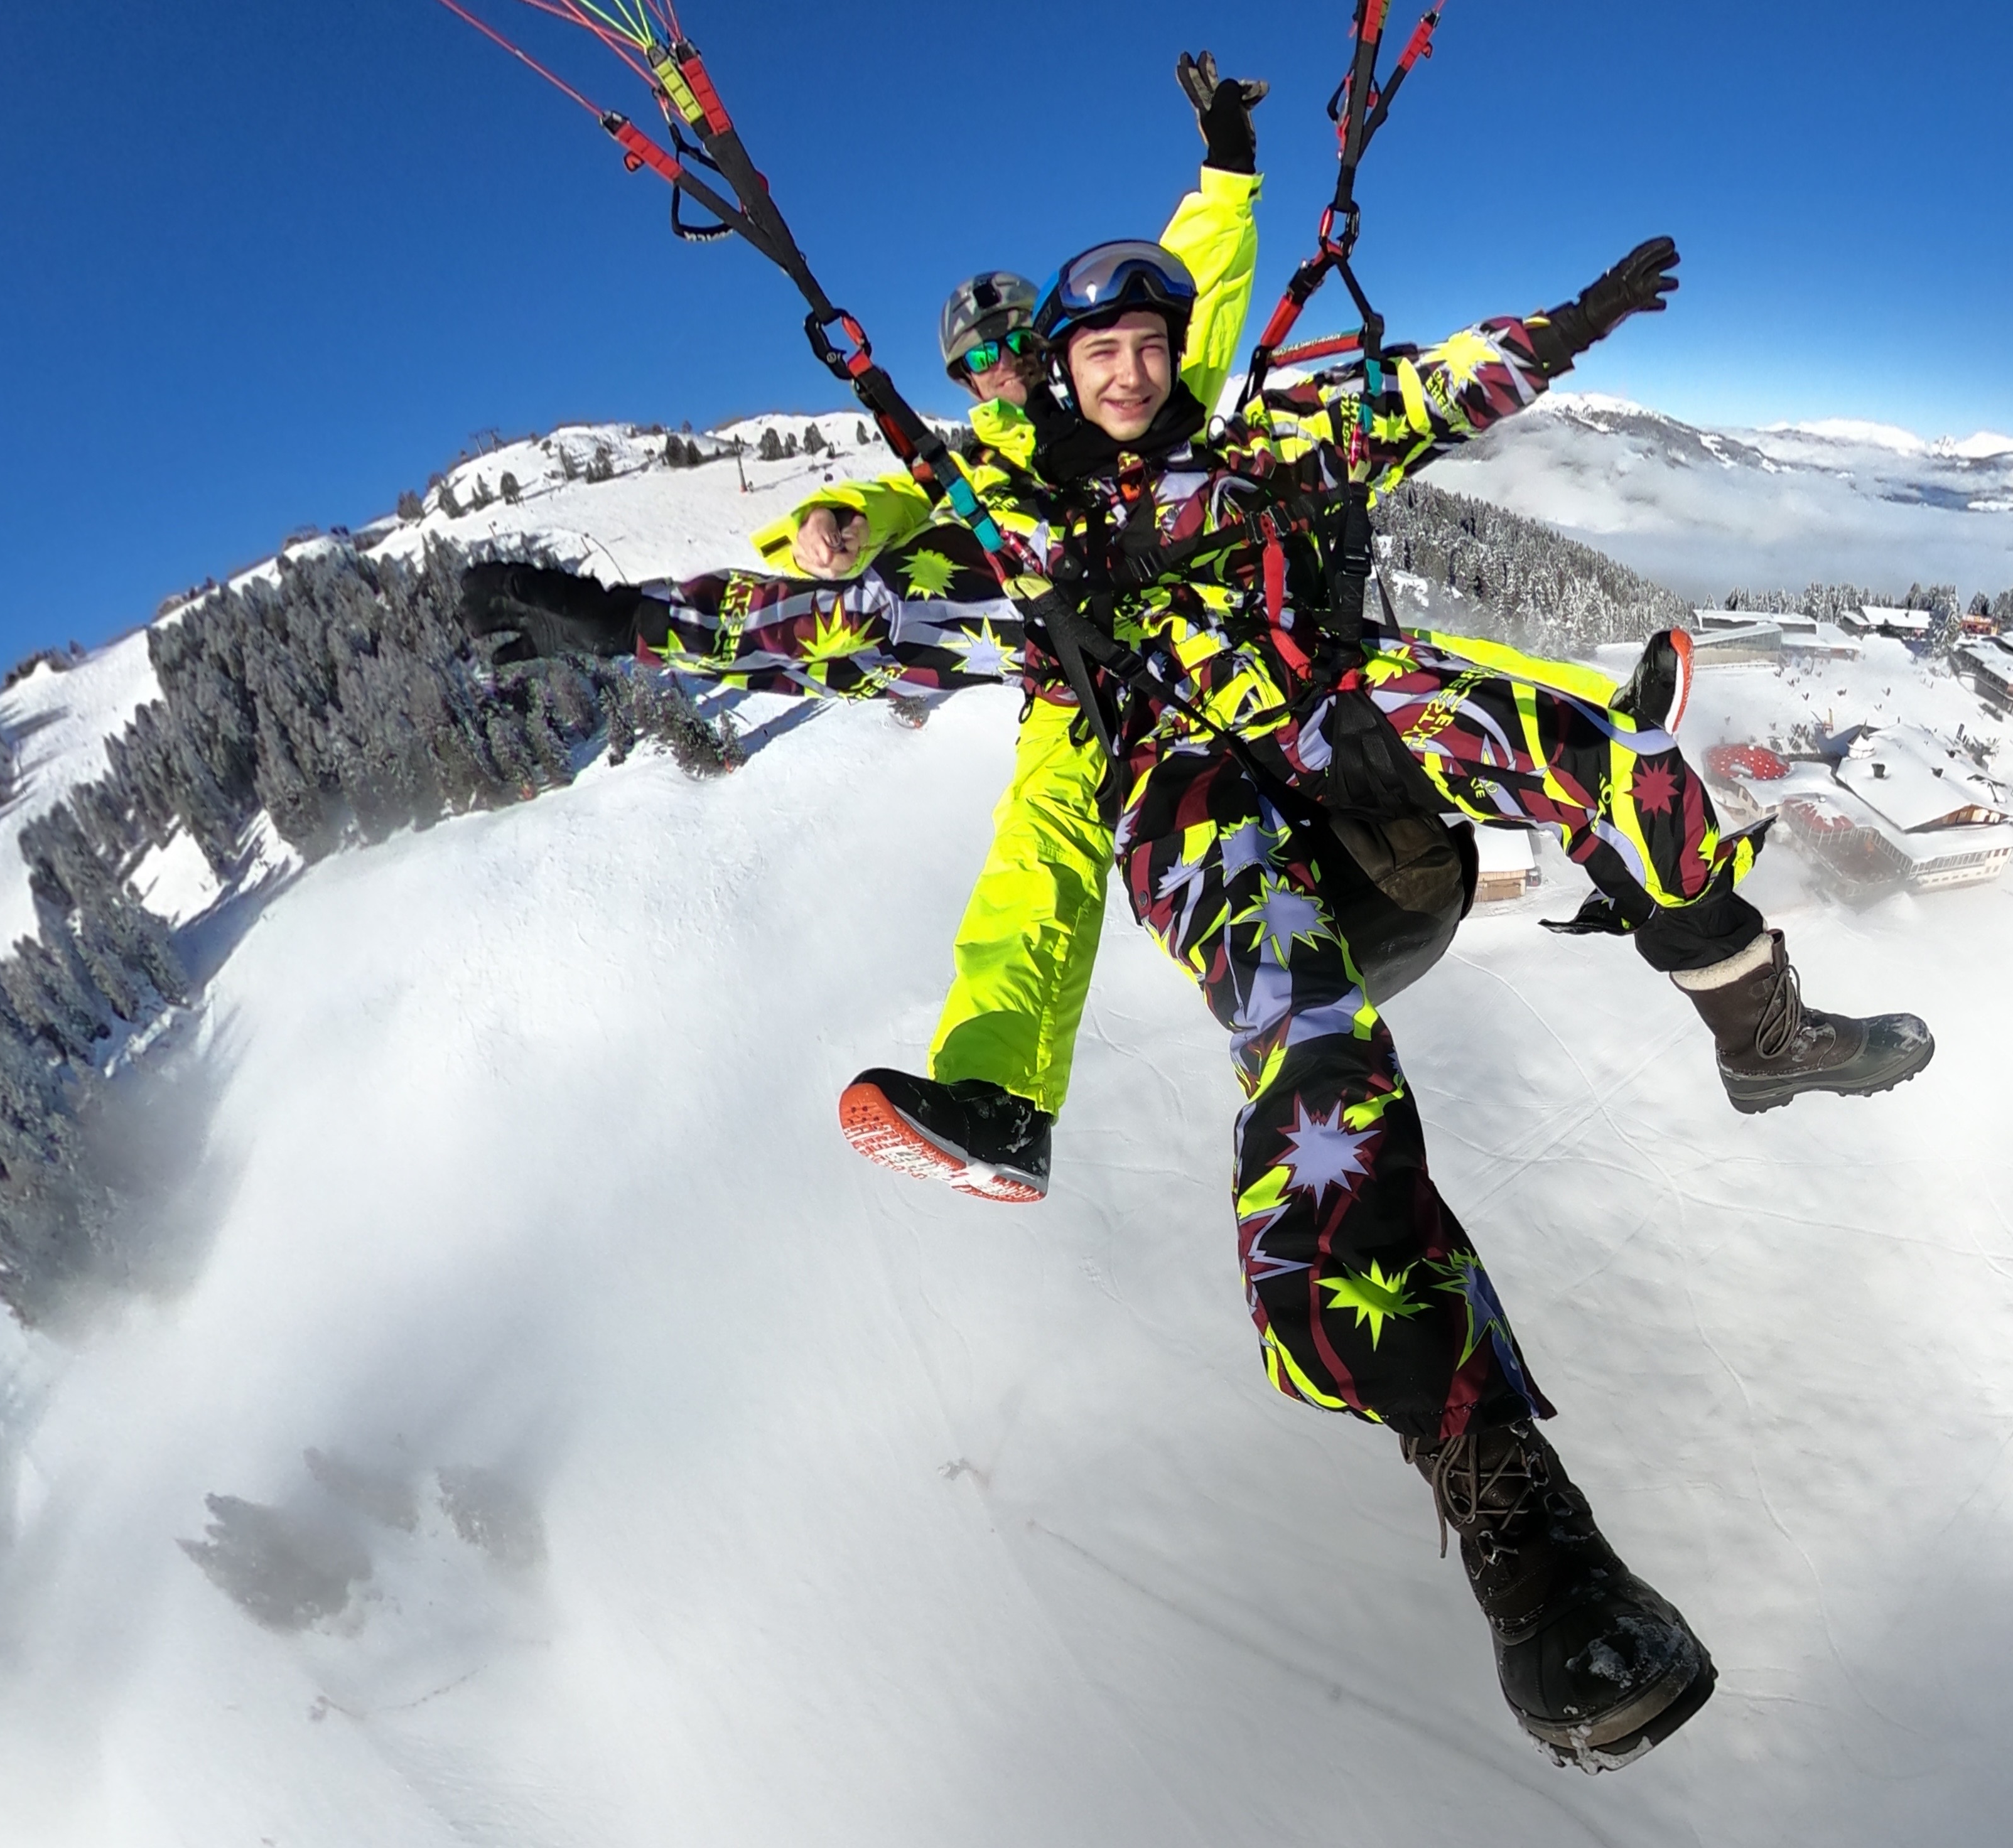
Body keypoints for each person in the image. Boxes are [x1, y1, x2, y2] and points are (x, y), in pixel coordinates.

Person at [460, 237, 1934, 1770]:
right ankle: (1515, 1520)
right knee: (1318, 1070)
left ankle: (1759, 1030)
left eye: (1148, 345)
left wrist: (1557, 332)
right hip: (1198, 800)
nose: (1127, 371)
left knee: (1603, 757)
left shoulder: (1252, 457)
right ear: (1059, 371)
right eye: (1097, 351)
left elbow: (1404, 403)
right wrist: (617, 623)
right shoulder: (1022, 543)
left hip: (1335, 711)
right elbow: (842, 628)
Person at [750, 55, 1268, 1203]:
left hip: (1202, 634)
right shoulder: (977, 466)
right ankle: (1001, 1101)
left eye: (1015, 346)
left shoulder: (1124, 391)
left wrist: (1227, 170)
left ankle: (1608, 751)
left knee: (1378, 686)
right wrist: (829, 525)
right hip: (1076, 681)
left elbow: (1203, 292)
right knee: (1038, 854)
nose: (1001, 371)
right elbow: (905, 503)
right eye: (974, 361)